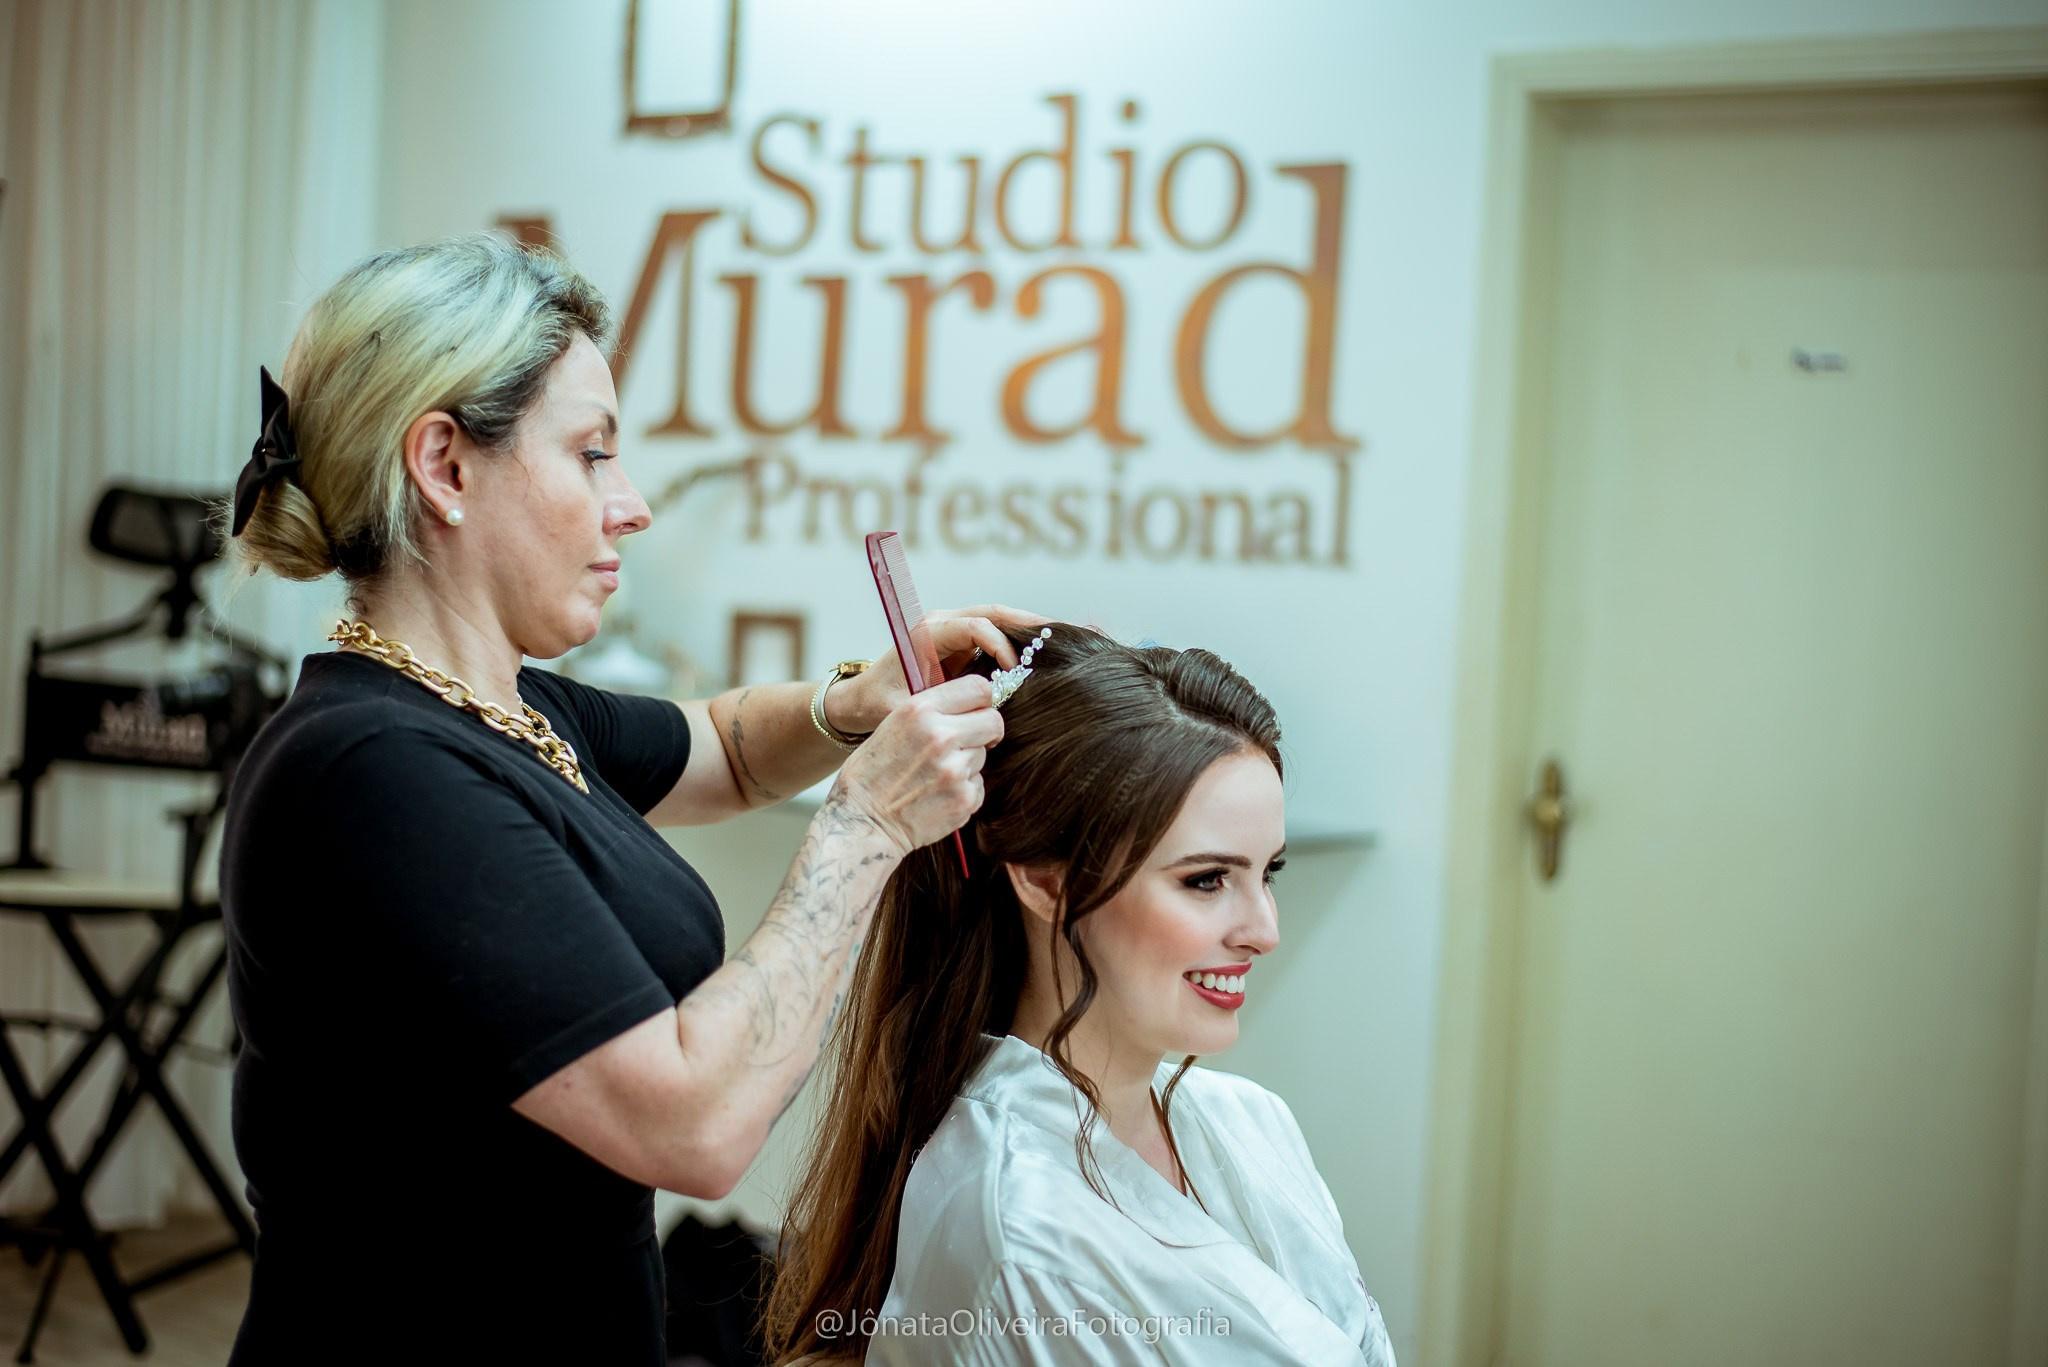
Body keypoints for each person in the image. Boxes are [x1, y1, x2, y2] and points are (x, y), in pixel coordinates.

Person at [218, 233, 1029, 1364]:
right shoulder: (373, 776)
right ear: (445, 465)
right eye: (593, 454)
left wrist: (855, 697)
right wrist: (868, 823)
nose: (632, 505)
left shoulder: (506, 707)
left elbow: (724, 749)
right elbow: (692, 1123)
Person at [764, 624, 1397, 1365]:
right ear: (1043, 878)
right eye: (1206, 879)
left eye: (1269, 873)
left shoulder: (1254, 1120)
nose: (1263, 929)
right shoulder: (1023, 1229)